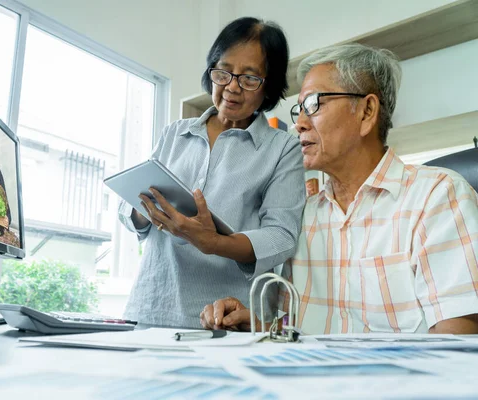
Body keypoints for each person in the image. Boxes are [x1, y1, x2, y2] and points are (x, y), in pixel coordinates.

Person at [201, 43, 478, 334]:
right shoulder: (303, 216)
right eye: (299, 110)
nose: (299, 125)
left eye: (314, 105)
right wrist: (259, 325)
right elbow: (295, 328)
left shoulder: (437, 196)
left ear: (367, 111)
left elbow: (455, 342)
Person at [119, 17, 306, 328]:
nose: (232, 87)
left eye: (249, 79)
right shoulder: (174, 134)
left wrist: (212, 242)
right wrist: (146, 211)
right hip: (150, 308)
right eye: (223, 72)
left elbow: (281, 236)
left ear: (268, 86)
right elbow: (132, 209)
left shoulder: (283, 148)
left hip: (224, 320)